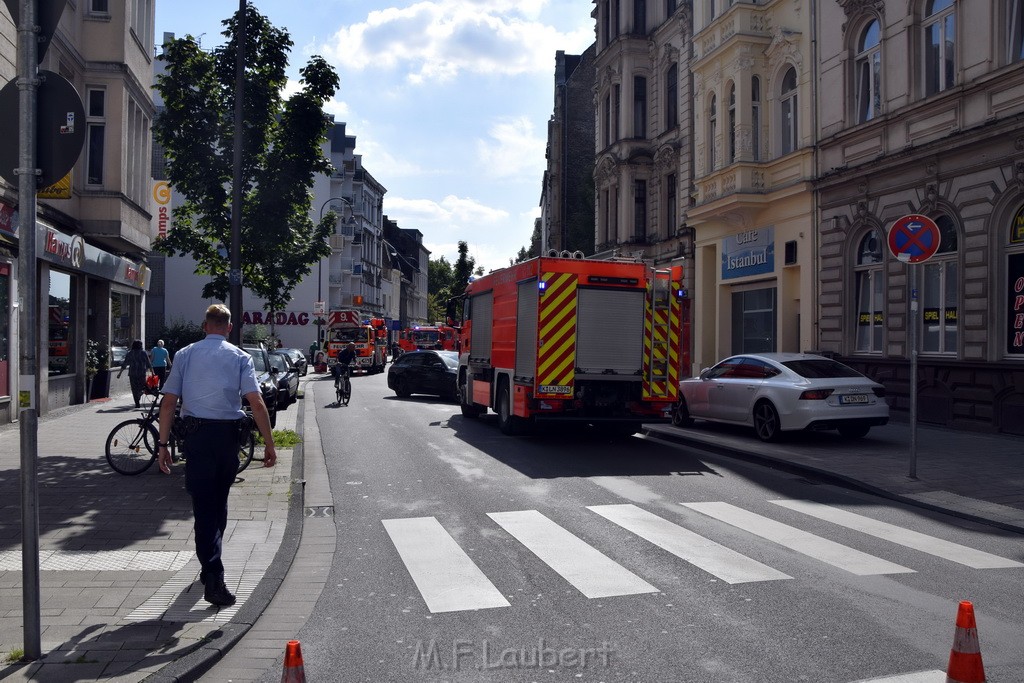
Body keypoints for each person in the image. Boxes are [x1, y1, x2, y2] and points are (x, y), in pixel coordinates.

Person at [156, 304, 277, 607]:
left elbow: (169, 403)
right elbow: (256, 402)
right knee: (218, 504)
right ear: (229, 327)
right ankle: (213, 574)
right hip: (226, 439)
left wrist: (162, 445)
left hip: (196, 438)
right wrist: (269, 444)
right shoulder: (240, 357)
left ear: (205, 325)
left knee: (205, 507)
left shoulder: (185, 354)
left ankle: (210, 568)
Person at [117, 339, 152, 408]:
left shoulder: (130, 353)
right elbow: (148, 363)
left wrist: (120, 373)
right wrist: (152, 372)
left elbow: (125, 363)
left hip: (132, 373)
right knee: (142, 386)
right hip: (141, 373)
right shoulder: (143, 353)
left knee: (134, 388)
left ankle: (137, 403)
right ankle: (140, 394)